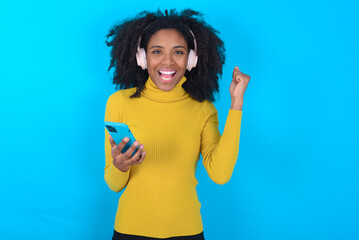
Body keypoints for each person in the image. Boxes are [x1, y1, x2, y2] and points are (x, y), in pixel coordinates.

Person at [104, 9, 250, 240]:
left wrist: (237, 102)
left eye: (179, 52)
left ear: (191, 59)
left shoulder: (203, 109)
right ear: (142, 57)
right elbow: (114, 184)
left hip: (187, 231)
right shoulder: (119, 103)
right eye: (157, 51)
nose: (168, 61)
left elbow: (220, 174)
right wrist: (120, 165)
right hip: (130, 230)